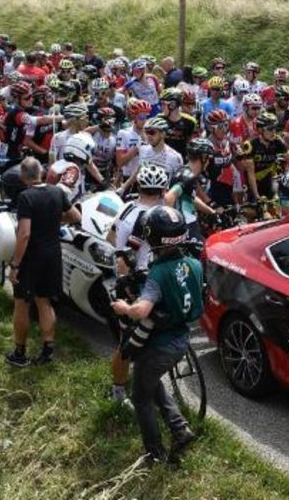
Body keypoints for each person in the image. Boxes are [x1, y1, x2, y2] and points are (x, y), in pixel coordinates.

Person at [111, 206, 203, 465]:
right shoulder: (194, 264)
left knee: (140, 396)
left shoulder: (158, 275)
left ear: (152, 237)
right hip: (183, 338)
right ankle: (179, 428)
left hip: (161, 345)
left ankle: (155, 453)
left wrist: (125, 307)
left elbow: (142, 310)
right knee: (150, 380)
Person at [6, 157, 81, 367]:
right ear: (41, 172)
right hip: (53, 254)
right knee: (44, 301)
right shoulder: (57, 192)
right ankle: (47, 350)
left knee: (21, 304)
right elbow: (75, 216)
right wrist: (54, 219)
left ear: (23, 176)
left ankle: (20, 353)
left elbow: (24, 234)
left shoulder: (25, 197)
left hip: (31, 257)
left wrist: (15, 265)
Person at [109, 163, 169, 405]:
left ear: (138, 186)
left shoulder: (125, 209)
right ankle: (121, 390)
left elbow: (112, 239)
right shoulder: (164, 212)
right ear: (162, 190)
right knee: (133, 340)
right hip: (153, 277)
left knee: (129, 341)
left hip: (134, 277)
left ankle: (119, 390)